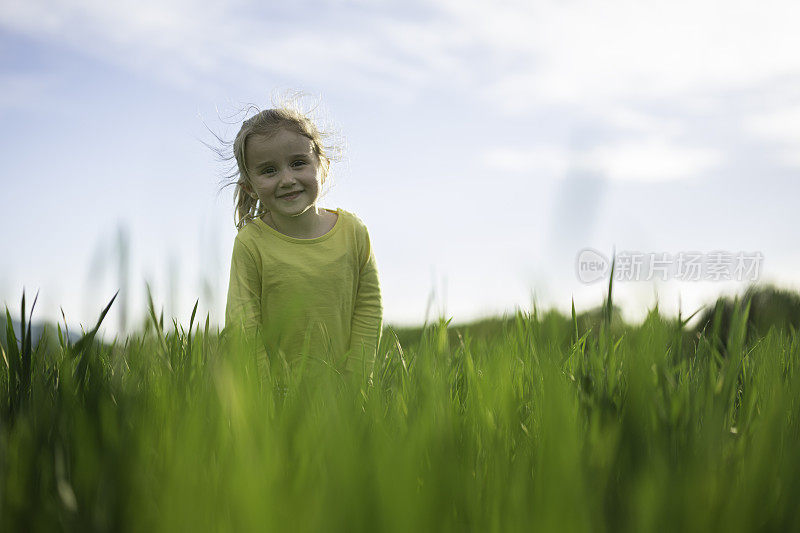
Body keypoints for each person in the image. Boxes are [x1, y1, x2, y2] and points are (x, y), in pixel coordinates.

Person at [222, 103, 383, 382]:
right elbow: (243, 325)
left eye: (298, 163)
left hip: (343, 391)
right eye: (269, 170)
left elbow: (369, 309)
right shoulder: (251, 244)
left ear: (323, 166)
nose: (287, 179)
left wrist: (356, 381)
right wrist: (265, 396)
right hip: (277, 396)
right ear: (249, 186)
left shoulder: (353, 233)